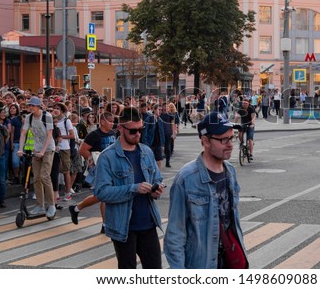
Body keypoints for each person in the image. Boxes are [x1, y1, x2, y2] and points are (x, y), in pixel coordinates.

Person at [164, 112, 247, 269]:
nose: (230, 144)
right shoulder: (186, 179)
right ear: (205, 141)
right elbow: (175, 235)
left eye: (232, 138)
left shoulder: (230, 171)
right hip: (201, 264)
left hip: (229, 258)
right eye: (224, 139)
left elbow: (232, 220)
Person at [93, 107, 164, 269]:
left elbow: (157, 178)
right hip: (123, 227)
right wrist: (133, 188)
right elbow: (101, 192)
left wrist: (157, 190)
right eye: (133, 131)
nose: (138, 134)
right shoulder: (107, 157)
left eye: (140, 129)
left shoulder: (146, 151)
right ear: (120, 128)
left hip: (149, 224)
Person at [69, 111, 118, 231]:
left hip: (111, 168)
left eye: (113, 121)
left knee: (100, 196)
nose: (112, 124)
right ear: (102, 121)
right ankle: (105, 225)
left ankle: (76, 209)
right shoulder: (94, 135)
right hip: (100, 168)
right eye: (110, 121)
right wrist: (91, 158)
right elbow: (83, 150)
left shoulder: (112, 133)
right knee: (104, 196)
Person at [17, 96, 56, 219]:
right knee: (37, 178)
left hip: (48, 149)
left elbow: (50, 135)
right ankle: (40, 205)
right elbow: (23, 133)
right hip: (36, 149)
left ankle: (51, 205)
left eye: (32, 106)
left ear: (38, 106)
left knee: (45, 176)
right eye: (29, 106)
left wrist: (43, 151)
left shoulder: (47, 116)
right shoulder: (29, 117)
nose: (30, 108)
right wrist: (20, 149)